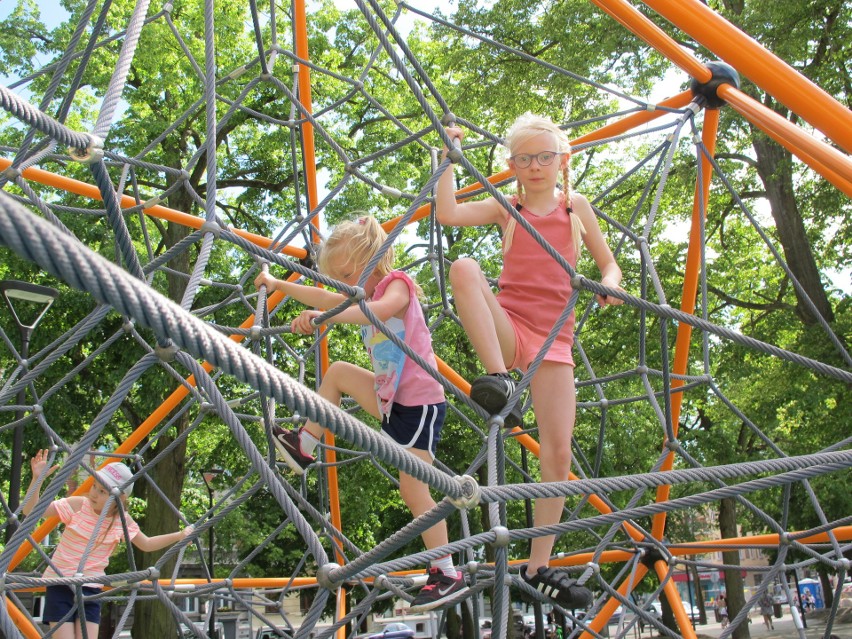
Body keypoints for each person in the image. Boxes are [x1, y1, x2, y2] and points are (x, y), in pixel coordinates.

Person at [436, 113, 623, 609]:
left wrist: (612, 283)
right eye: (524, 158)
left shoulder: (575, 207)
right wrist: (447, 158)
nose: (535, 166)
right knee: (464, 266)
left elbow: (607, 261)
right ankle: (496, 377)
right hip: (511, 328)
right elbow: (448, 214)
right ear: (512, 165)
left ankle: (540, 564)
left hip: (555, 342)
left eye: (544, 157)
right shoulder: (506, 206)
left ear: (563, 161)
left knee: (557, 454)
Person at [254, 215, 466, 612]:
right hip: (391, 399)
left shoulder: (397, 286)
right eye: (339, 278)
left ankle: (448, 572)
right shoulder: (361, 293)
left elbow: (376, 309)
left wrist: (323, 319)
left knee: (413, 488)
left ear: (374, 258)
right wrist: (279, 285)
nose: (346, 285)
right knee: (337, 374)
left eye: (349, 274)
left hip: (420, 404)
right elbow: (328, 298)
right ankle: (305, 444)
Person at [23, 449, 193, 639]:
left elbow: (146, 543)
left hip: (91, 589)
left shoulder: (122, 520)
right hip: (60, 583)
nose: (94, 493)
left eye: (103, 491)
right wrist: (37, 479)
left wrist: (179, 535)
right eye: (95, 486)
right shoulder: (79, 505)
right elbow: (31, 511)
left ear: (119, 499)